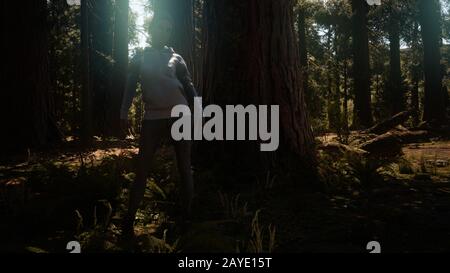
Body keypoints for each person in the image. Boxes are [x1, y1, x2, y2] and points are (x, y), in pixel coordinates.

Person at [120, 12, 197, 237]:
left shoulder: (177, 58)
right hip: (152, 118)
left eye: (168, 29)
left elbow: (189, 87)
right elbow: (129, 86)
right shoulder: (140, 57)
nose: (164, 32)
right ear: (152, 30)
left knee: (184, 167)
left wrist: (201, 110)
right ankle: (128, 222)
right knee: (142, 169)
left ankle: (187, 218)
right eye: (160, 28)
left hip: (180, 116)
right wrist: (123, 113)